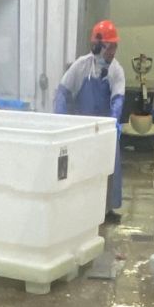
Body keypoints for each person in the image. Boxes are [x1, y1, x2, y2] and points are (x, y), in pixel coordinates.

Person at [54, 18, 125, 214]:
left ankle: (106, 209)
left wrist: (113, 123)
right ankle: (78, 208)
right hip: (82, 129)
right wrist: (59, 121)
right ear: (98, 46)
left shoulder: (116, 70)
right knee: (80, 170)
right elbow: (62, 92)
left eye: (114, 47)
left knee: (109, 164)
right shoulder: (80, 66)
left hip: (104, 128)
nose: (113, 52)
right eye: (110, 47)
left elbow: (118, 99)